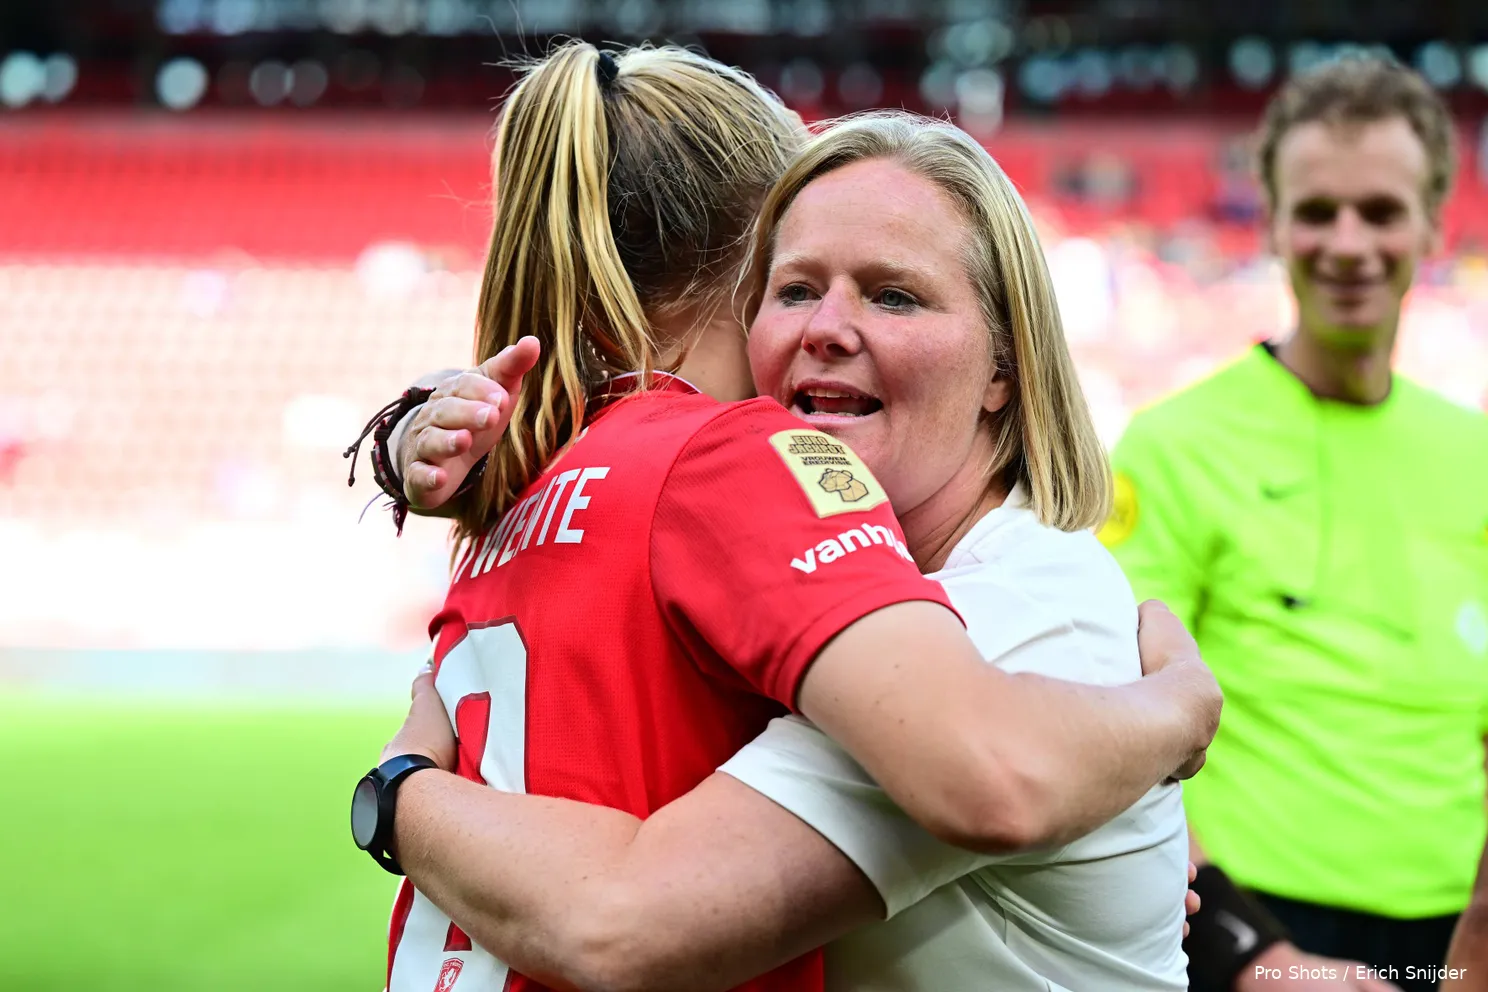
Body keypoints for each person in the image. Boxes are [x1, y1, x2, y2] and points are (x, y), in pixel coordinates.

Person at [348, 43, 1218, 992]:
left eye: (894, 295)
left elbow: (629, 917)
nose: (827, 328)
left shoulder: (1014, 611)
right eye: (795, 288)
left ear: (1006, 368)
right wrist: (1168, 717)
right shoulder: (793, 557)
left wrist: (397, 790)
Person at [1101, 55, 1488, 992]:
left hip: (1462, 931)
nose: (1348, 243)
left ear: (1433, 221)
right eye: (1317, 211)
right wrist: (1249, 953)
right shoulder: (1172, 444)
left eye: (1381, 211)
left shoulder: (1473, 450)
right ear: (1272, 222)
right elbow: (1109, 720)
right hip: (1255, 935)